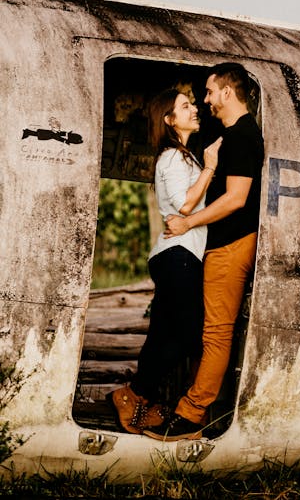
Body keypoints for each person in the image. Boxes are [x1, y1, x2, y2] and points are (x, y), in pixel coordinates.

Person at [145, 62, 264, 441]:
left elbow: (236, 199)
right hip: (219, 246)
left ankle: (192, 414)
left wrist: (188, 223)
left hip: (230, 246)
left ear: (228, 92)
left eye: (210, 92)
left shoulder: (244, 135)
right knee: (201, 332)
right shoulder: (225, 137)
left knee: (213, 334)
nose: (206, 100)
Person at [108, 88, 222, 434]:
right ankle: (134, 393)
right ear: (169, 120)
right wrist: (211, 167)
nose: (193, 110)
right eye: (185, 107)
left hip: (177, 255)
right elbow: (185, 206)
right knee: (189, 336)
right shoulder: (173, 157)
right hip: (178, 256)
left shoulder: (183, 157)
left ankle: (139, 401)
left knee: (161, 334)